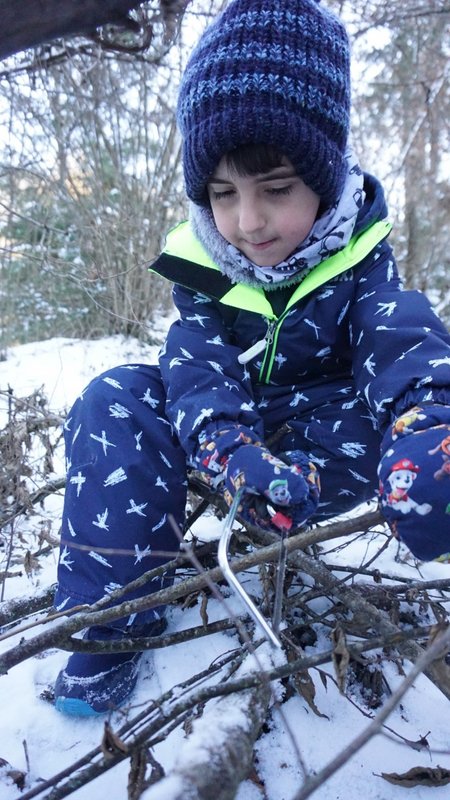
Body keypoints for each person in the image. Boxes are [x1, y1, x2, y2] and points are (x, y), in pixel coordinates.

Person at [53, 0, 450, 716]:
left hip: (320, 436)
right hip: (223, 431)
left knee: (383, 416)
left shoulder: (359, 260)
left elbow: (401, 341)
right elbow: (196, 363)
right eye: (222, 193)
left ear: (324, 177)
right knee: (115, 397)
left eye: (276, 189)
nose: (247, 222)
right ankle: (112, 617)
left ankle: (369, 481)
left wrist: (426, 421)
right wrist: (224, 444)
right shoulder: (204, 262)